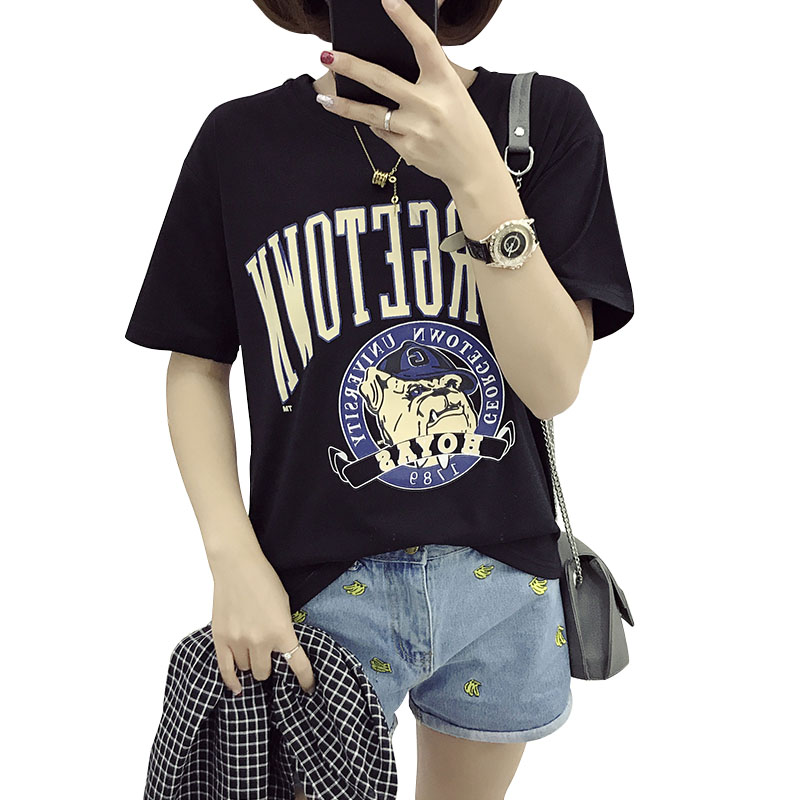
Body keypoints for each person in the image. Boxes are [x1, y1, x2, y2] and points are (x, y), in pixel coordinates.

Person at [125, 0, 634, 797]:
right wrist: (232, 562)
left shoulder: (542, 121)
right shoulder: (240, 141)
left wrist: (478, 175)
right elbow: (195, 363)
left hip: (502, 585)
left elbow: (552, 383)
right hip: (313, 594)